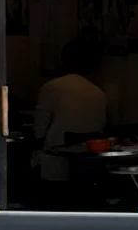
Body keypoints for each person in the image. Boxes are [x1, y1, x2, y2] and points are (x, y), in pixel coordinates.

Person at [33, 38, 108, 185]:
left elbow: (39, 130)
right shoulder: (99, 93)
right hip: (90, 162)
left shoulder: (51, 88)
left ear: (64, 60)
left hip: (55, 162)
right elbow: (101, 125)